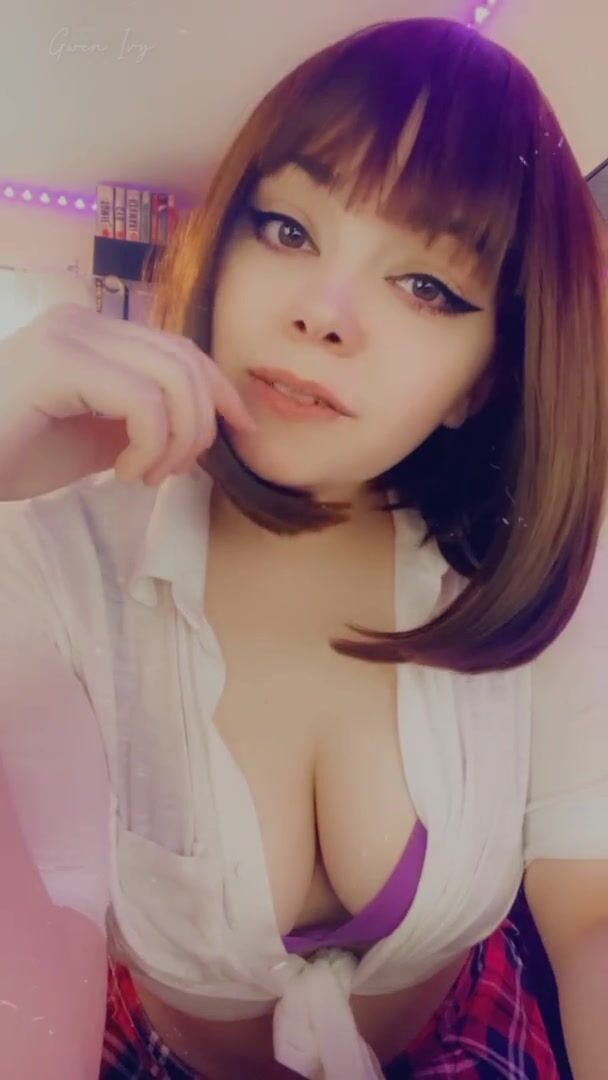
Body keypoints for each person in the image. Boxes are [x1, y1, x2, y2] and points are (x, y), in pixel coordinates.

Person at [0, 15, 607, 1080]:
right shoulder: (58, 549)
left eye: (426, 286)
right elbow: (29, 949)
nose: (322, 314)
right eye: (286, 229)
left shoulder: (533, 559)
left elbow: (591, 910)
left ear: (482, 382)